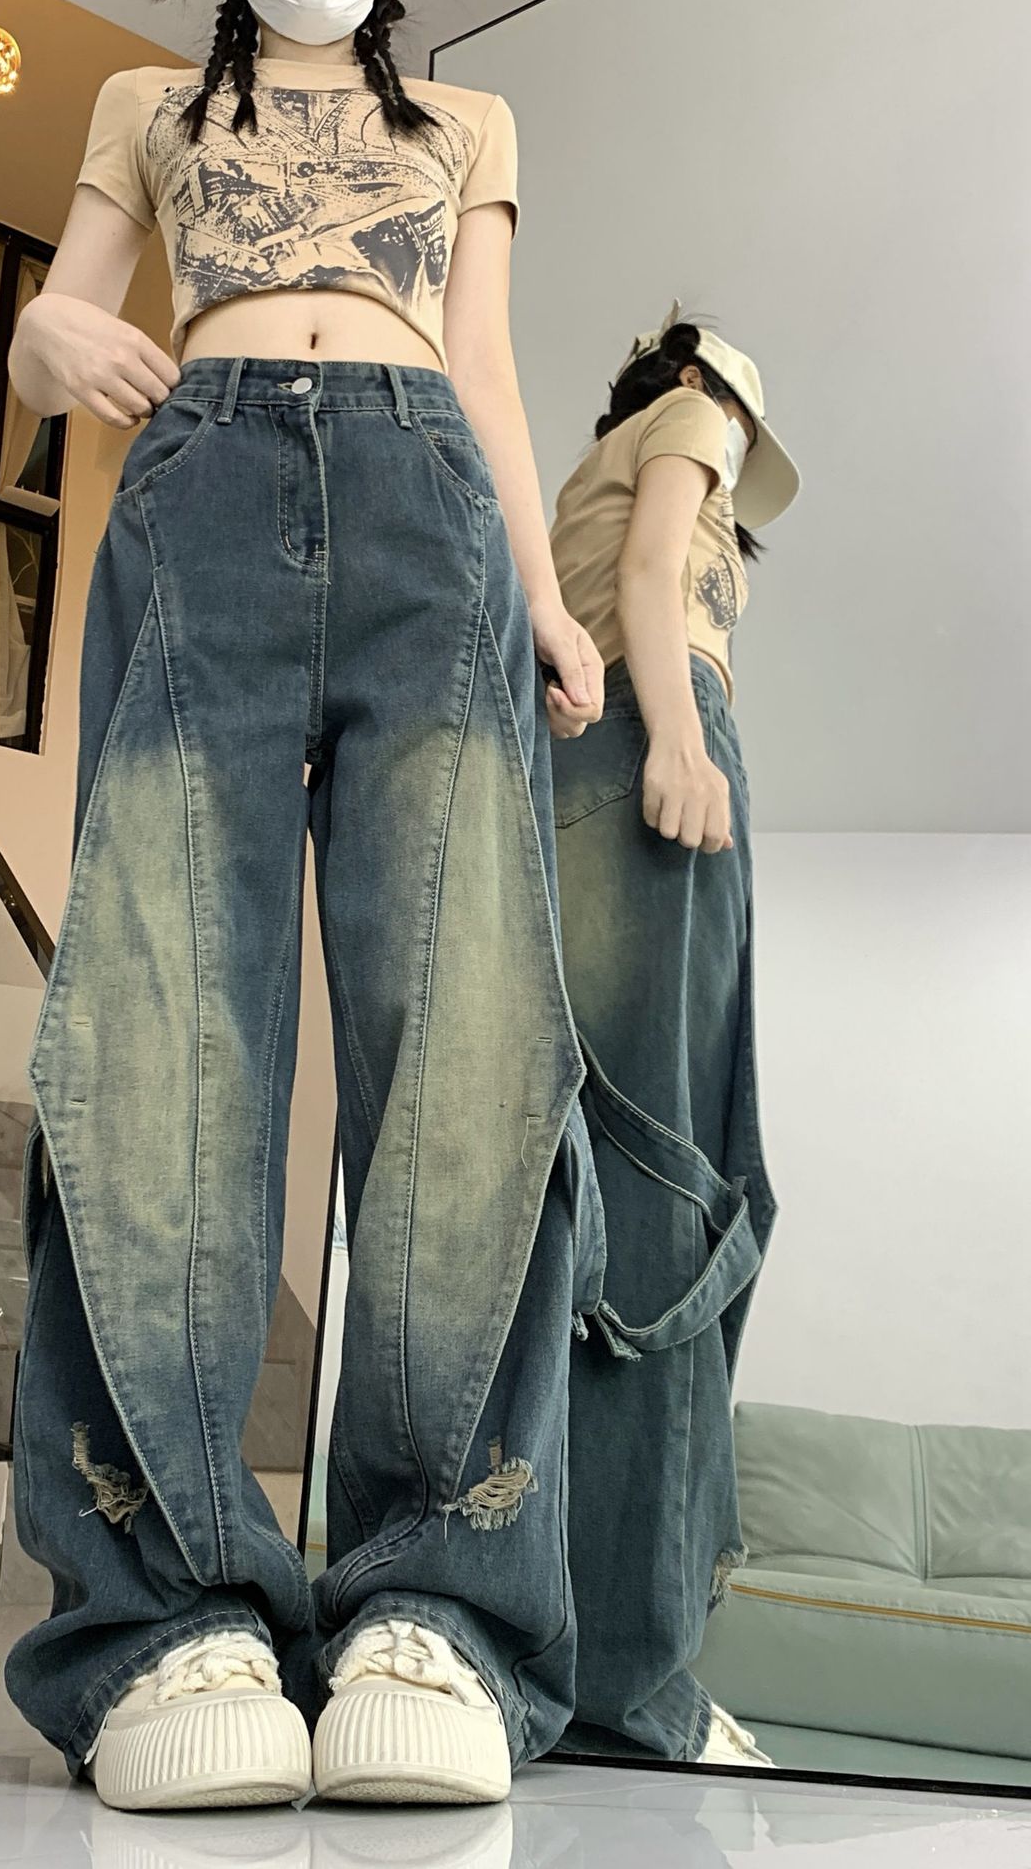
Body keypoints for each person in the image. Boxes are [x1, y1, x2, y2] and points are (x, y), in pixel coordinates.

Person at [2, 0, 607, 1815]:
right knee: (160, 1026)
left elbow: (487, 369)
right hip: (201, 482)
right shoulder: (148, 105)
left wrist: (546, 595)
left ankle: (437, 1604)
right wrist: (46, 338)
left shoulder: (472, 120)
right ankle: (165, 1613)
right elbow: (57, 313)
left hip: (435, 509)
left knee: (469, 1034)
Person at [547, 306, 800, 1766]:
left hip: (583, 749)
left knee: (609, 1180)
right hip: (655, 733)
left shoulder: (592, 469)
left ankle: (564, 1630)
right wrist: (685, 740)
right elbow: (653, 575)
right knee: (677, 1194)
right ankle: (634, 1673)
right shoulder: (693, 414)